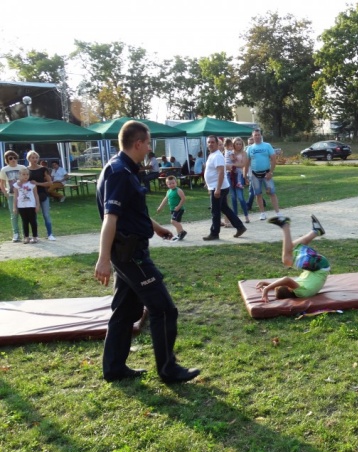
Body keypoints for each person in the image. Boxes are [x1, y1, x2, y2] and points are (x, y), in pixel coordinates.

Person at [94, 120, 200, 383]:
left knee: (125, 310)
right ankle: (168, 369)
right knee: (163, 309)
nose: (150, 148)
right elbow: (110, 218)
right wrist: (103, 259)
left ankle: (114, 368)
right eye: (149, 143)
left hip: (128, 251)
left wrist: (156, 228)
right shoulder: (119, 172)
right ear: (138, 143)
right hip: (131, 255)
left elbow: (132, 212)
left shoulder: (123, 169)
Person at [256, 215, 329, 302]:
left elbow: (286, 283)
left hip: (319, 267)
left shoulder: (298, 291)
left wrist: (268, 284)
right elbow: (286, 280)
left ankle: (316, 231)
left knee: (290, 248)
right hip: (320, 266)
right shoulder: (300, 292)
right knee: (287, 260)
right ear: (289, 288)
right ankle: (285, 225)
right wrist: (267, 289)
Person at [202, 135, 247, 241]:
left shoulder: (217, 156)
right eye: (209, 142)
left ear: (217, 143)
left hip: (219, 188)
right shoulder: (212, 155)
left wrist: (217, 189)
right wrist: (208, 184)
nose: (210, 144)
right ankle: (240, 227)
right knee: (224, 208)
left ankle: (214, 233)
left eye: (213, 142)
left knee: (215, 211)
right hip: (216, 186)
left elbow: (221, 173)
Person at [245, 128, 282, 220]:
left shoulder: (267, 146)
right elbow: (247, 162)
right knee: (258, 194)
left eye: (259, 135)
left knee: (272, 193)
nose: (257, 136)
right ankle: (262, 213)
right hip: (255, 175)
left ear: (261, 136)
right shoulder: (250, 148)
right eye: (255, 135)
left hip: (266, 174)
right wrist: (245, 175)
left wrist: (271, 172)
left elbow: (273, 159)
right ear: (252, 136)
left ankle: (278, 212)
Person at [27, 150, 56, 240]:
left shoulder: (43, 169)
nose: (35, 159)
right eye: (33, 158)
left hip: (43, 194)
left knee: (46, 215)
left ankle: (50, 234)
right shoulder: (26, 170)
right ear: (29, 159)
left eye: (36, 157)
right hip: (31, 196)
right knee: (33, 216)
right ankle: (35, 235)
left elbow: (50, 183)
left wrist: (38, 183)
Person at [0, 150, 28, 242]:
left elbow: (27, 180)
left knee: (24, 214)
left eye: (15, 158)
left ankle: (26, 234)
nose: (13, 160)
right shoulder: (4, 169)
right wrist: (5, 193)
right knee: (14, 214)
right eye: (10, 158)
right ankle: (16, 234)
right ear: (7, 160)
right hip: (12, 195)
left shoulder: (22, 167)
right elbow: (2, 183)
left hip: (23, 194)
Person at [226, 137, 250, 223]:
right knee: (233, 197)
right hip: (230, 175)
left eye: (240, 144)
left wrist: (233, 165)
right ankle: (235, 217)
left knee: (240, 197)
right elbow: (226, 164)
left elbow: (243, 164)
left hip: (239, 176)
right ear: (234, 144)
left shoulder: (244, 153)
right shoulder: (230, 152)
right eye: (237, 144)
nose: (238, 145)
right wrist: (232, 165)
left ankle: (246, 215)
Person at [12, 169, 40, 244]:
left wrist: (37, 205)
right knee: (25, 221)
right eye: (23, 174)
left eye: (27, 174)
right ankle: (26, 237)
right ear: (19, 175)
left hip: (31, 205)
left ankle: (35, 237)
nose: (26, 176)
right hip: (21, 206)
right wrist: (14, 207)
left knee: (33, 221)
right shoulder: (16, 185)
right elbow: (15, 196)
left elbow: (36, 195)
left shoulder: (32, 184)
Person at [156, 175, 187, 241]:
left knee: (173, 221)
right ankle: (179, 235)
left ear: (176, 183)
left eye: (173, 183)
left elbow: (183, 199)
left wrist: (178, 207)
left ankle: (182, 232)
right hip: (172, 209)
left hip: (179, 209)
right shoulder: (168, 191)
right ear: (167, 184)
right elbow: (165, 200)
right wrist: (160, 207)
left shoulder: (178, 190)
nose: (172, 185)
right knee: (177, 222)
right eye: (169, 184)